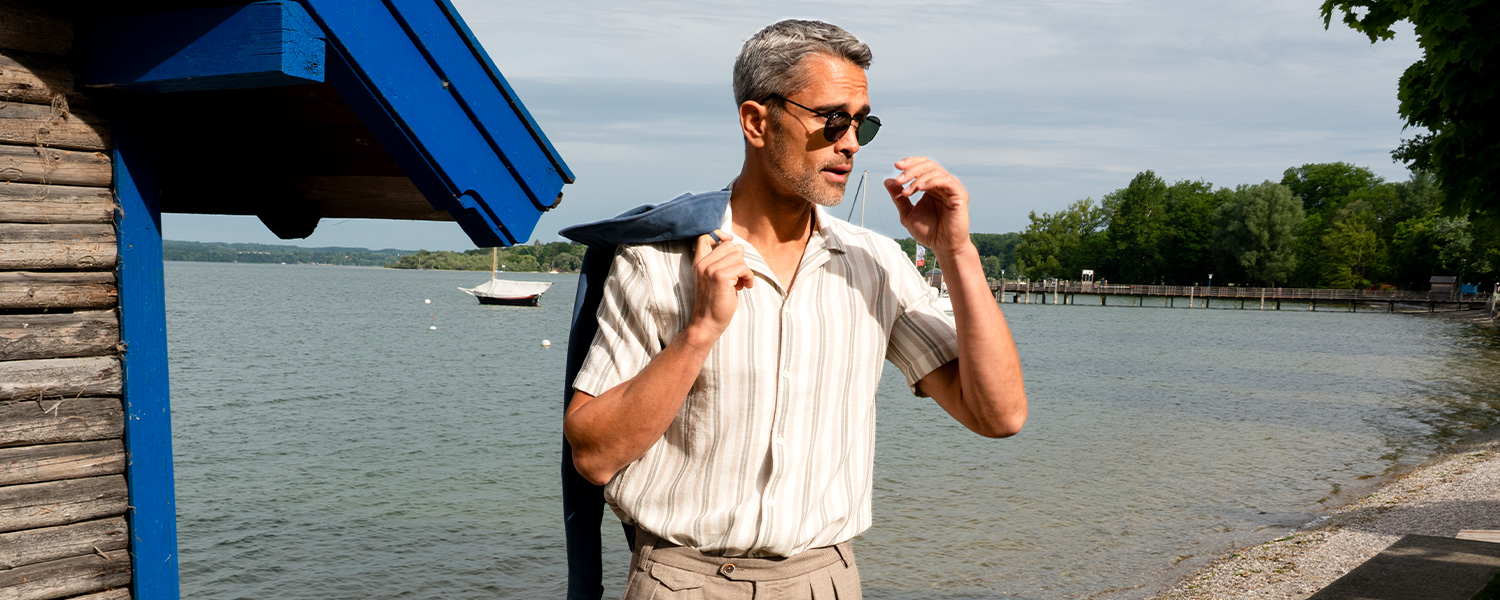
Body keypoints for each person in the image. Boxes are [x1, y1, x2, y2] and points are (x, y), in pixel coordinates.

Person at [561, 19, 1028, 600]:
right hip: (680, 582)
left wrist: (957, 251)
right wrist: (700, 333)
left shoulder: (877, 265)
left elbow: (999, 415)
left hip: (823, 581)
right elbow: (594, 455)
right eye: (833, 119)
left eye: (862, 123)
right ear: (757, 122)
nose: (851, 142)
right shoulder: (654, 262)